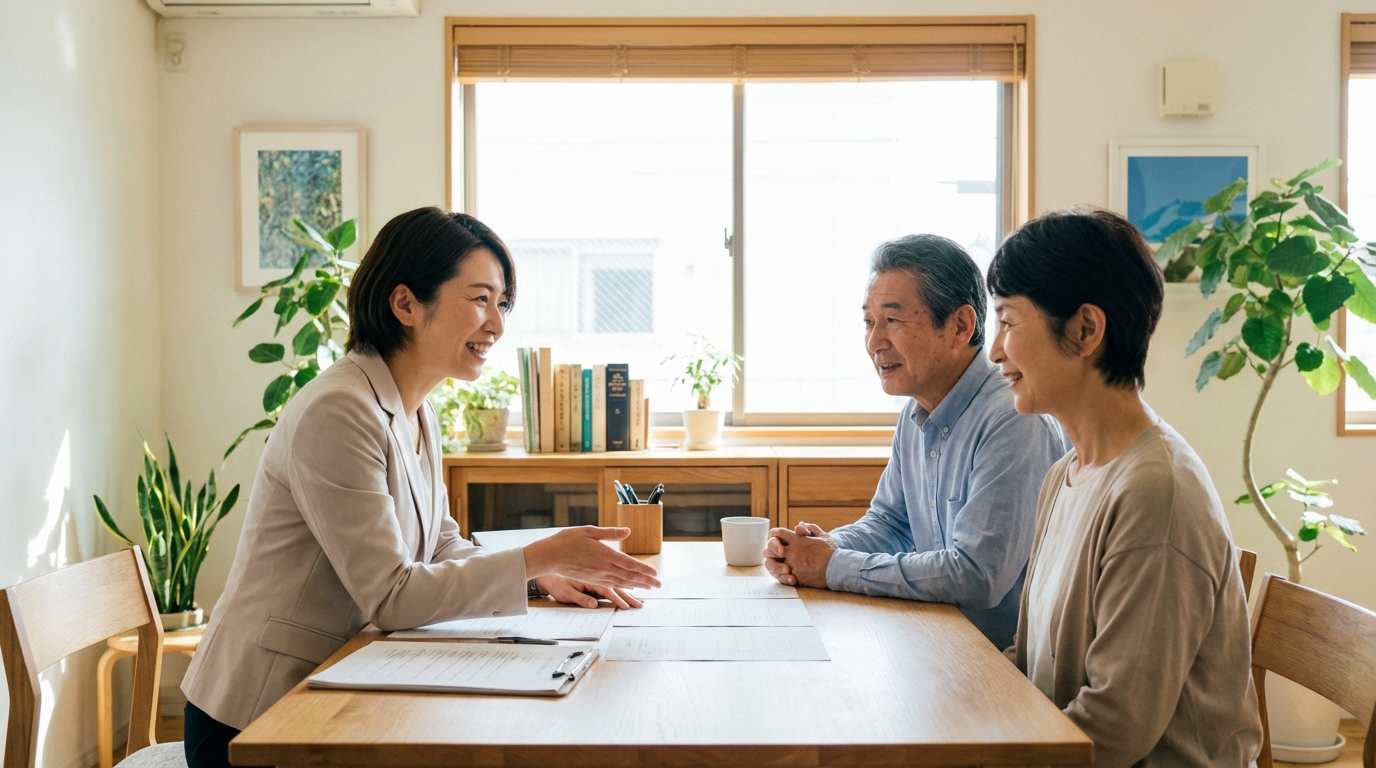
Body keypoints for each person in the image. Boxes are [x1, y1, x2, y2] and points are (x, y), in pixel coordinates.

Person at [181, 208, 660, 767]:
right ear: (405, 303)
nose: (497, 325)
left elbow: (438, 544)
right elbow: (392, 597)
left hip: (347, 678)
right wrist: (536, 555)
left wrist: (541, 574)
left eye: (502, 303)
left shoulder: (416, 409)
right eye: (480, 299)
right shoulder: (338, 409)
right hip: (260, 717)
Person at [987, 208, 1262, 765]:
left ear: (1086, 329)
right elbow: (1029, 663)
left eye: (1009, 323)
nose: (995, 351)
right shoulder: (1064, 477)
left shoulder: (1157, 492)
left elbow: (1113, 731)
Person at [764, 235, 1067, 649]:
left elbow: (977, 576)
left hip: (1002, 670)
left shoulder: (1013, 419)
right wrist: (824, 547)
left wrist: (833, 566)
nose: (874, 343)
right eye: (869, 322)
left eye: (893, 321)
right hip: (932, 643)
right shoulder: (916, 411)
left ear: (960, 326)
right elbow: (891, 523)